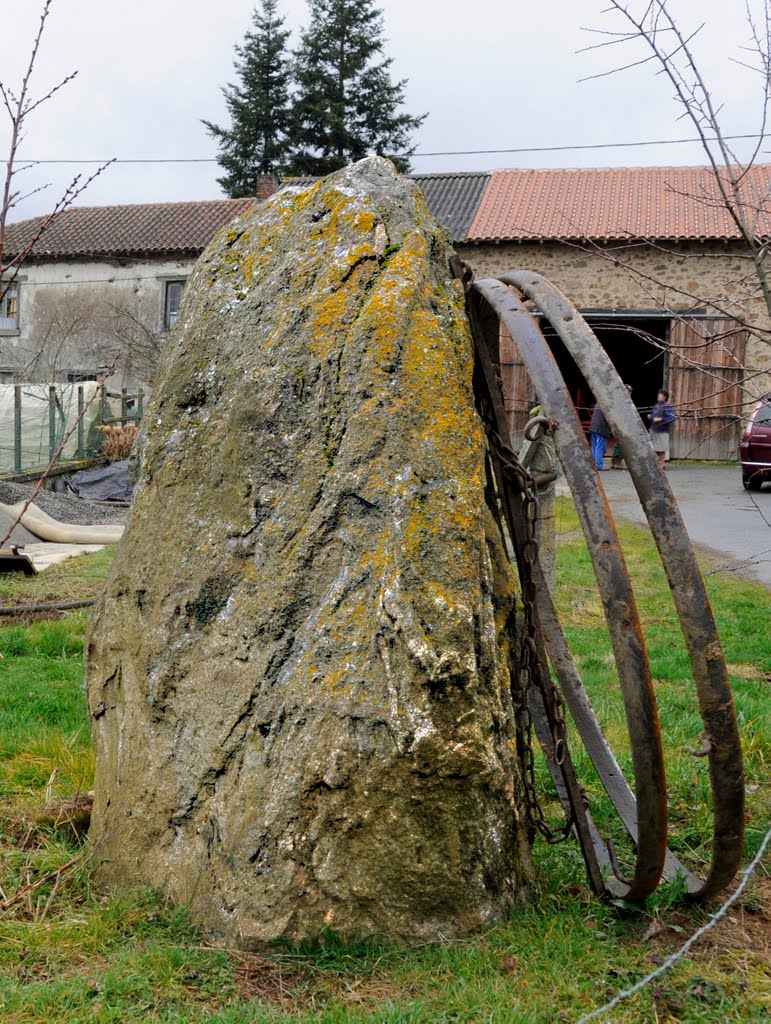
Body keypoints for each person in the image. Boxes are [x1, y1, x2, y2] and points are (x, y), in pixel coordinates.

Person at [648, 388, 675, 465]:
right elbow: (654, 417)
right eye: (658, 395)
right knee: (654, 448)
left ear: (664, 397)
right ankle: (656, 464)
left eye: (660, 395)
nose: (658, 396)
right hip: (654, 429)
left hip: (662, 430)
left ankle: (662, 465)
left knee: (661, 449)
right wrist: (651, 417)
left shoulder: (668, 406)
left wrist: (661, 419)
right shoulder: (656, 406)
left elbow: (671, 418)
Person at [589, 401, 611, 470]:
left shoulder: (599, 402)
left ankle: (593, 464)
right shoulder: (608, 403)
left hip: (593, 426)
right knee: (600, 447)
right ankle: (598, 465)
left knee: (594, 446)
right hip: (601, 428)